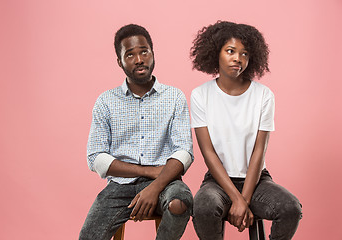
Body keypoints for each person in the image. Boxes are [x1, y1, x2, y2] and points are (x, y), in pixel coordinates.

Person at [79, 24, 193, 240]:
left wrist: (155, 186)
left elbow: (184, 152)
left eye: (144, 51)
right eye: (130, 54)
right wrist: (148, 172)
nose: (139, 59)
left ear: (152, 53)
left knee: (180, 202)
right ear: (119, 61)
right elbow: (96, 157)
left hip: (166, 182)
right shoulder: (106, 102)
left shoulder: (175, 97)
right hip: (119, 187)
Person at [190, 21, 302, 240]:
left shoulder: (264, 95)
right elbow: (208, 153)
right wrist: (236, 198)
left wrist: (245, 197)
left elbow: (259, 151)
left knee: (291, 209)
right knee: (203, 208)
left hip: (257, 179)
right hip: (218, 181)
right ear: (216, 54)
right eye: (230, 51)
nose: (237, 58)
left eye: (244, 54)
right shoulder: (200, 95)